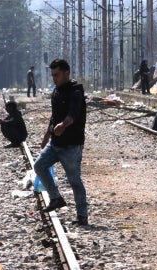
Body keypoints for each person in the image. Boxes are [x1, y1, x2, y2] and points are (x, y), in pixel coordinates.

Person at [33, 59, 88, 226]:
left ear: (66, 73)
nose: (54, 78)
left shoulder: (75, 92)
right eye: (52, 75)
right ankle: (56, 198)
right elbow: (54, 117)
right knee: (39, 166)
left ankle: (82, 217)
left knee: (74, 181)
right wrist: (46, 136)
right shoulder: (56, 92)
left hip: (71, 145)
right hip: (55, 143)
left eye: (56, 75)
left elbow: (73, 114)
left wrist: (63, 125)